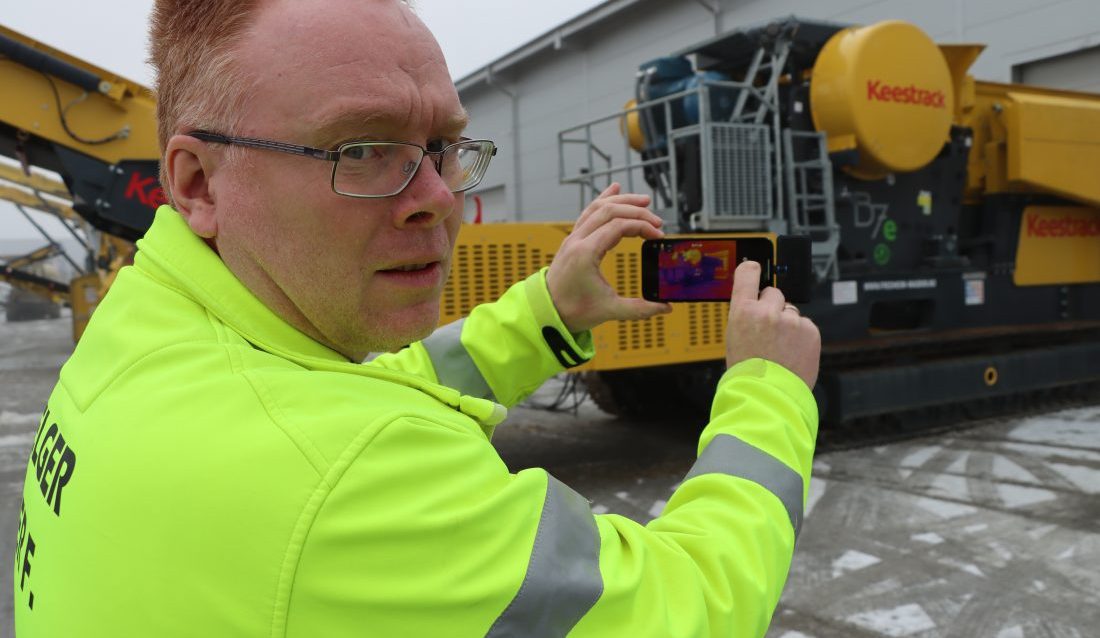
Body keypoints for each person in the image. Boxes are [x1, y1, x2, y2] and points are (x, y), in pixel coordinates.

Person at [13, 0, 821, 635]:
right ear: (197, 184)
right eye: (360, 150)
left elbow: (368, 395)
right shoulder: (346, 479)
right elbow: (694, 609)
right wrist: (768, 389)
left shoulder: (146, 326)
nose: (439, 198)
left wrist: (551, 311)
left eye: (443, 145)